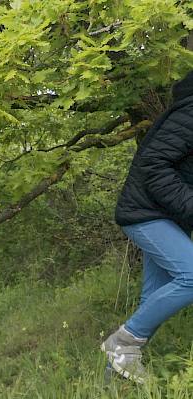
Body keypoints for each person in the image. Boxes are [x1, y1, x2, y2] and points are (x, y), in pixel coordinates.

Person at [103, 70, 193, 384]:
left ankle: (114, 380)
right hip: (146, 213)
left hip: (166, 215)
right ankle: (121, 344)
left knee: (152, 299)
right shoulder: (191, 111)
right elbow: (154, 163)